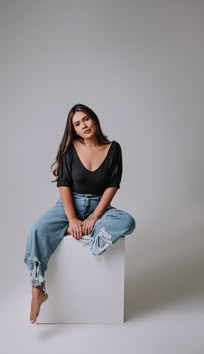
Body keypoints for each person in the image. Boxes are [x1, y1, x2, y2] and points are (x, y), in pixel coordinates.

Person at [24, 103, 136, 324]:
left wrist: (94, 217)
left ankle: (90, 238)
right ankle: (37, 289)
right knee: (37, 228)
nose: (83, 125)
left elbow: (113, 185)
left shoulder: (114, 148)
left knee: (127, 221)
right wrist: (73, 218)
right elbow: (64, 184)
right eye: (77, 124)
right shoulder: (69, 149)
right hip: (68, 205)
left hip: (99, 206)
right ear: (73, 129)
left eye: (86, 119)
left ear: (93, 119)